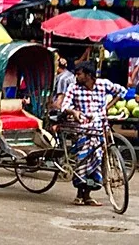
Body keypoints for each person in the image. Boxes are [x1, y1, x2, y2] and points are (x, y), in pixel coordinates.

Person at [60, 61, 126, 206]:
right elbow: (64, 106)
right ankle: (79, 194)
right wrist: (74, 112)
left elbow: (122, 91)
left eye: (79, 74)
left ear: (88, 75)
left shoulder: (103, 84)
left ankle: (87, 195)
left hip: (100, 127)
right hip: (83, 128)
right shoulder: (74, 87)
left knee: (96, 161)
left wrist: (107, 107)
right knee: (83, 160)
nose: (76, 77)